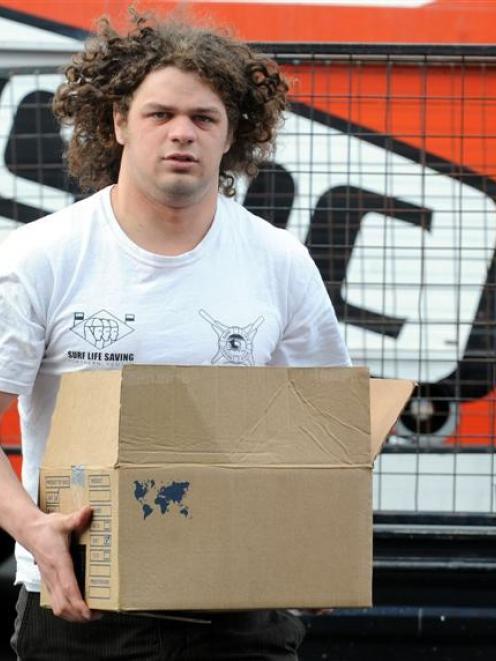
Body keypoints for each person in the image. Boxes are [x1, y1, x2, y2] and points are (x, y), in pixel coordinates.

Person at [0, 9, 351, 661]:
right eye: (160, 114)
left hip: (241, 612)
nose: (182, 133)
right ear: (118, 123)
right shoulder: (42, 257)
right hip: (83, 604)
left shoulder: (278, 261)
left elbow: (330, 425)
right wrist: (33, 527)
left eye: (204, 117)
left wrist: (321, 535)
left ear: (232, 134)